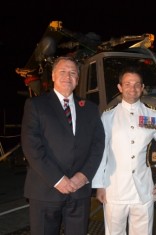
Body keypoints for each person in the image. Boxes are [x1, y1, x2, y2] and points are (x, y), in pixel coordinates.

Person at [21, 56, 105, 235]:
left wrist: (83, 176)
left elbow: (98, 146)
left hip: (79, 191)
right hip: (46, 190)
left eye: (73, 73)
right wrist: (58, 179)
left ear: (78, 79)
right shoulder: (36, 105)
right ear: (52, 76)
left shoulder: (90, 108)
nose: (68, 76)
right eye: (63, 72)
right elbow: (32, 147)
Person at [92, 66, 156, 235]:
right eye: (127, 84)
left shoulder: (152, 115)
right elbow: (101, 152)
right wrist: (99, 185)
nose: (132, 88)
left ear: (142, 88)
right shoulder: (108, 116)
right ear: (120, 87)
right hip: (114, 189)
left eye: (137, 84)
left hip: (144, 189)